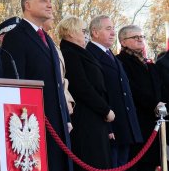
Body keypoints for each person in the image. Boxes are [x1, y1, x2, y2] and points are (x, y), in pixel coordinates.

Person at [2, 0, 73, 171]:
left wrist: (65, 118)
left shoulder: (47, 39)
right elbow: (16, 83)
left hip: (57, 122)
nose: (50, 5)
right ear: (28, 5)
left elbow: (57, 84)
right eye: (43, 1)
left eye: (50, 1)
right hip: (33, 124)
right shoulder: (15, 37)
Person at [56, 15, 114, 170]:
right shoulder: (69, 53)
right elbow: (82, 87)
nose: (86, 34)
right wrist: (105, 109)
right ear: (70, 33)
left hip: (95, 118)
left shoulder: (80, 52)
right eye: (82, 31)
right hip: (85, 119)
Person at [86, 15, 143, 168]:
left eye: (113, 29)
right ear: (95, 32)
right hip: (109, 126)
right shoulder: (89, 54)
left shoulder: (111, 55)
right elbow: (97, 92)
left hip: (123, 125)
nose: (113, 33)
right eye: (108, 29)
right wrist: (108, 127)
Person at [117, 25, 164, 171]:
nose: (140, 39)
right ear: (123, 42)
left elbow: (159, 88)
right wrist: (153, 104)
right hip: (137, 121)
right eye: (135, 37)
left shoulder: (149, 64)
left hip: (154, 120)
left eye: (142, 36)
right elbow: (131, 89)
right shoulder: (120, 61)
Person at [43, 17, 75, 116]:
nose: (53, 17)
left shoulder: (51, 42)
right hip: (47, 104)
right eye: (49, 15)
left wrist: (68, 100)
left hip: (61, 104)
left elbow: (61, 78)